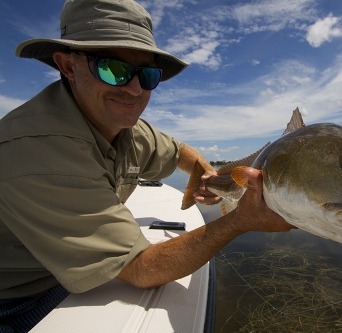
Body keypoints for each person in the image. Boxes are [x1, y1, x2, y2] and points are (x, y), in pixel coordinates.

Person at [0, 0, 294, 331]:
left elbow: (180, 151)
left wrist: (209, 179)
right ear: (68, 66)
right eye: (113, 69)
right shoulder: (38, 149)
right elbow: (141, 269)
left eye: (148, 74)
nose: (134, 88)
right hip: (18, 298)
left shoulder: (124, 127)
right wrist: (239, 220)